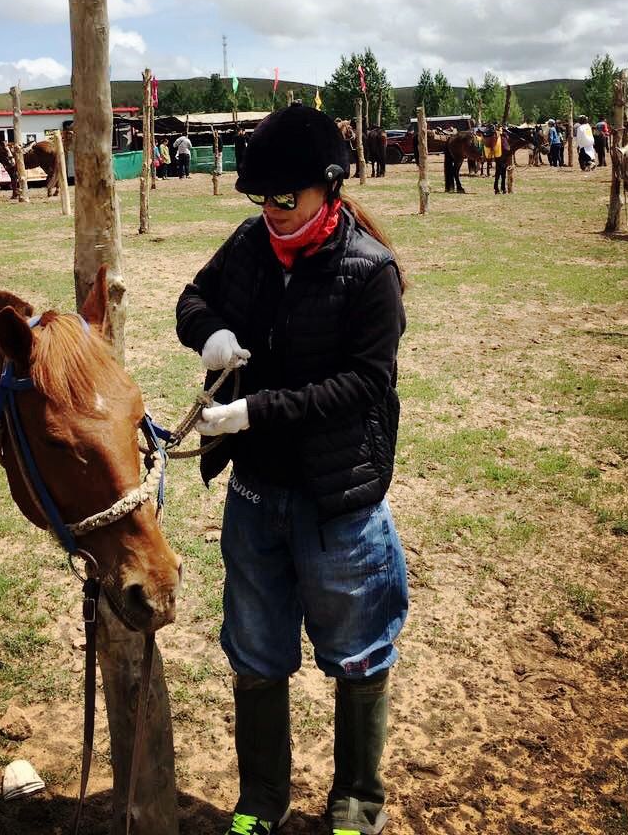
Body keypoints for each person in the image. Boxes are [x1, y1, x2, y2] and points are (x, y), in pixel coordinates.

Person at [176, 105, 409, 835]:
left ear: (329, 188)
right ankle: (261, 801)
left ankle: (356, 802)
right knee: (255, 649)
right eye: (261, 198)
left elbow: (366, 384)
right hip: (254, 496)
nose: (272, 212)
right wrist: (209, 333)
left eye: (287, 199)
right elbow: (193, 298)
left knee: (358, 653)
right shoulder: (249, 243)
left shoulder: (372, 273)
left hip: (339, 503)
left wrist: (257, 413)